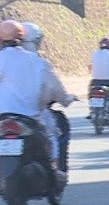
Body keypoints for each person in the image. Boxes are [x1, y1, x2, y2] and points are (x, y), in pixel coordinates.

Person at [0, 21, 59, 172]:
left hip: (3, 112)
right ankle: (53, 166)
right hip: (30, 113)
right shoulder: (35, 60)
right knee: (48, 134)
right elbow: (45, 88)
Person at [21, 22, 74, 172]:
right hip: (35, 112)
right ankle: (55, 167)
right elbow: (56, 89)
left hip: (4, 113)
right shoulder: (39, 63)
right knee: (54, 133)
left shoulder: (2, 60)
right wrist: (66, 99)